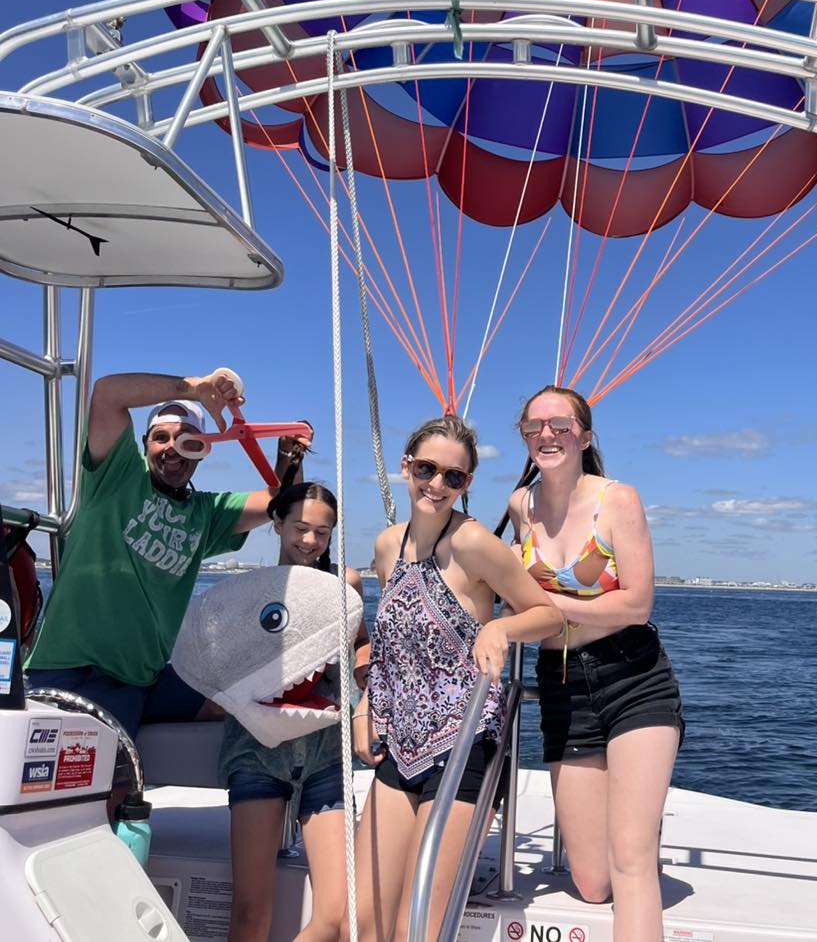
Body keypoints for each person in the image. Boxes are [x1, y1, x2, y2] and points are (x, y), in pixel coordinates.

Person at [353, 414, 561, 942]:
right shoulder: (386, 547)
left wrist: (502, 629)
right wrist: (363, 709)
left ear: (467, 484)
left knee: (413, 928)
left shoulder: (472, 544)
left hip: (462, 744)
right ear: (406, 467)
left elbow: (549, 614)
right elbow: (391, 647)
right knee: (366, 920)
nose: (437, 484)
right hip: (398, 746)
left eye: (454, 477)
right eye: (427, 469)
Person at [26, 368, 294, 738]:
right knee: (99, 783)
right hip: (70, 668)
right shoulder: (117, 476)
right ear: (144, 444)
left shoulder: (207, 513)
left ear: (202, 450)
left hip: (140, 681)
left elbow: (276, 502)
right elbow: (107, 393)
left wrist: (289, 454)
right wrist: (194, 388)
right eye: (161, 437)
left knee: (243, 701)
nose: (171, 447)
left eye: (187, 439)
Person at [505, 385, 683, 942]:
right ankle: (631, 827)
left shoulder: (617, 500)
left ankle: (635, 834)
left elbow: (636, 603)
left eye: (560, 425)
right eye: (534, 427)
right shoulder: (520, 505)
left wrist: (541, 610)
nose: (547, 435)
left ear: (584, 435)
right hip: (560, 685)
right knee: (590, 880)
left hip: (633, 677)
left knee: (630, 862)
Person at [221, 479, 366, 942]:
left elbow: (361, 650)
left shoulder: (346, 585)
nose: (309, 541)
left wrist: (372, 683)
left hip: (325, 753)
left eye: (322, 533)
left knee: (340, 914)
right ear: (277, 523)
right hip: (257, 753)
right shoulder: (248, 592)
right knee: (250, 912)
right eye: (300, 527)